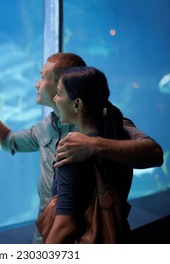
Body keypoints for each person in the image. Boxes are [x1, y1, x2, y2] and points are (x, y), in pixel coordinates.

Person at [0, 52, 163, 243]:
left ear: (63, 82)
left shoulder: (108, 122)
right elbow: (7, 141)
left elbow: (153, 153)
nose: (36, 84)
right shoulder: (46, 127)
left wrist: (94, 144)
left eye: (43, 77)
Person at [46, 66, 132, 243]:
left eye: (59, 93)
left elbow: (65, 226)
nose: (55, 99)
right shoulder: (120, 141)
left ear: (77, 104)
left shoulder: (72, 153)